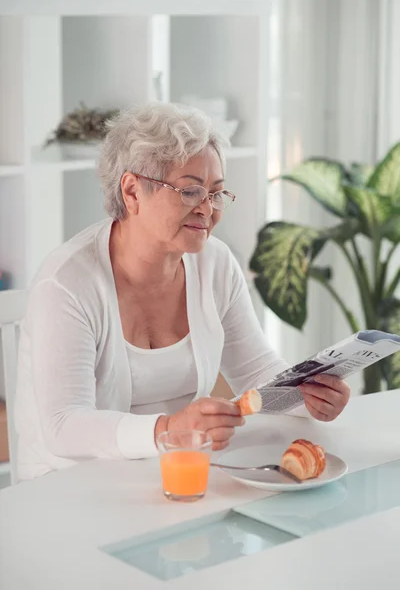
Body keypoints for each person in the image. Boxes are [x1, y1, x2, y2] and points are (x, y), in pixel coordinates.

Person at [15, 103, 350, 481]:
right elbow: (64, 426)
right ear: (132, 191)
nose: (208, 209)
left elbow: (255, 371)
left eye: (217, 193)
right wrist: (167, 431)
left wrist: (306, 397)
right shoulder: (67, 284)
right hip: (66, 489)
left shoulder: (217, 265)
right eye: (190, 191)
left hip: (172, 475)